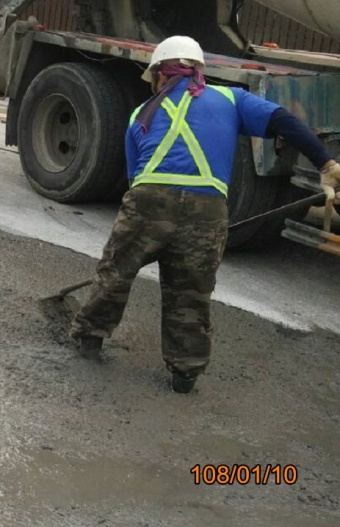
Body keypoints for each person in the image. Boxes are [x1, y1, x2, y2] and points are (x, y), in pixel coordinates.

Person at [69, 36, 340, 394]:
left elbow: (136, 182)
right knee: (190, 291)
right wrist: (327, 163)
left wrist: (146, 234)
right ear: (199, 71)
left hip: (150, 200)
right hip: (207, 209)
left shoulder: (141, 115)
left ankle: (89, 344)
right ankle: (184, 375)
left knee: (116, 273)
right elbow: (283, 121)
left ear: (158, 76)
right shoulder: (230, 99)